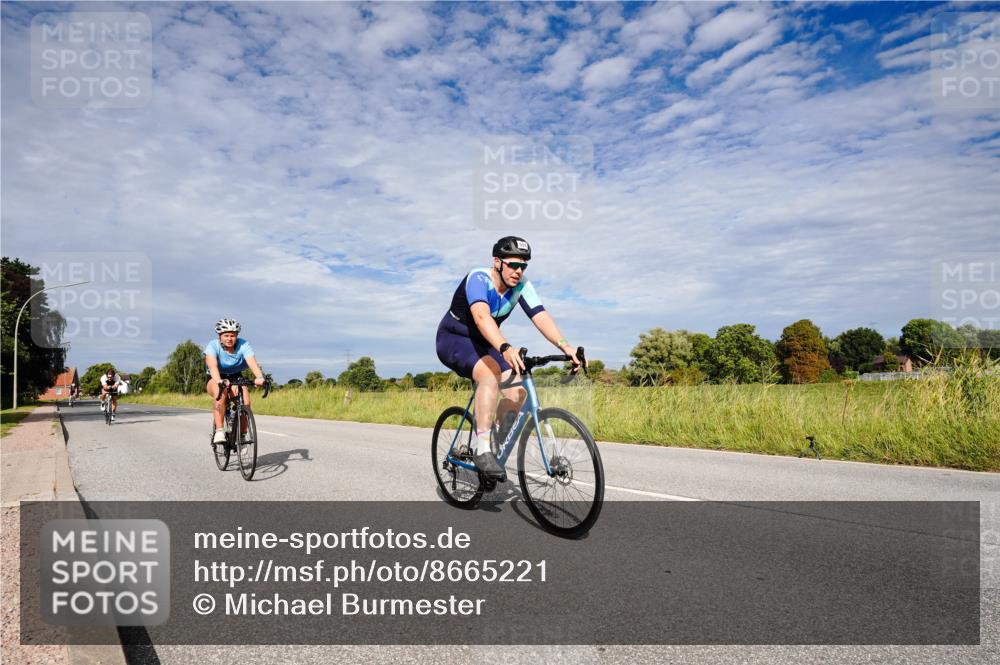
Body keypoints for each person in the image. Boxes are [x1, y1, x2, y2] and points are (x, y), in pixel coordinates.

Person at [435, 236, 582, 480]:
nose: (518, 271)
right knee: (490, 373)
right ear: (497, 262)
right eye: (513, 264)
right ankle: (483, 450)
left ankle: (494, 442)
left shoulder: (522, 286)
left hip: (485, 342)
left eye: (523, 266)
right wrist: (505, 347)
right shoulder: (479, 279)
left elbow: (541, 316)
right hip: (454, 338)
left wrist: (565, 346)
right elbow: (481, 317)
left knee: (518, 391)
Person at [204, 318, 265, 445]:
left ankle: (241, 437)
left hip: (235, 376)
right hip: (215, 376)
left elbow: (252, 363)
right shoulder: (213, 346)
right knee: (220, 393)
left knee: (245, 402)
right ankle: (219, 430)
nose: (229, 339)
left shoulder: (243, 345)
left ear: (237, 336)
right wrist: (219, 381)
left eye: (233, 335)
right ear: (220, 336)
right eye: (226, 335)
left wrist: (259, 377)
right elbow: (213, 366)